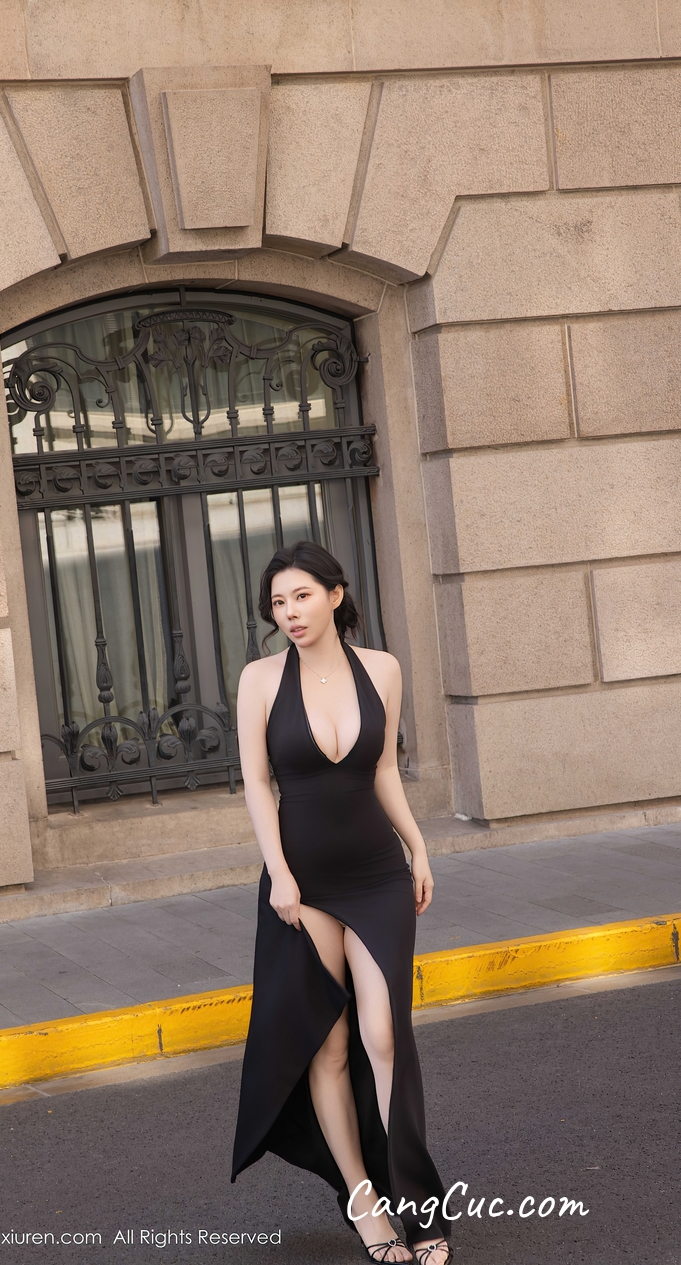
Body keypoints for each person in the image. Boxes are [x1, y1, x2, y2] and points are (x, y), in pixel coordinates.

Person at [230, 541, 453, 1265]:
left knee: (385, 1037)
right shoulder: (260, 680)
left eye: (301, 596)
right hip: (303, 886)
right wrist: (279, 874)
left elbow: (383, 769)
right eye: (278, 603)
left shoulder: (382, 669)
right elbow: (257, 783)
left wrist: (418, 846)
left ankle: (420, 1205)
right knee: (326, 1047)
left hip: (376, 874)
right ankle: (366, 1208)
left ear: (334, 594)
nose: (289, 613)